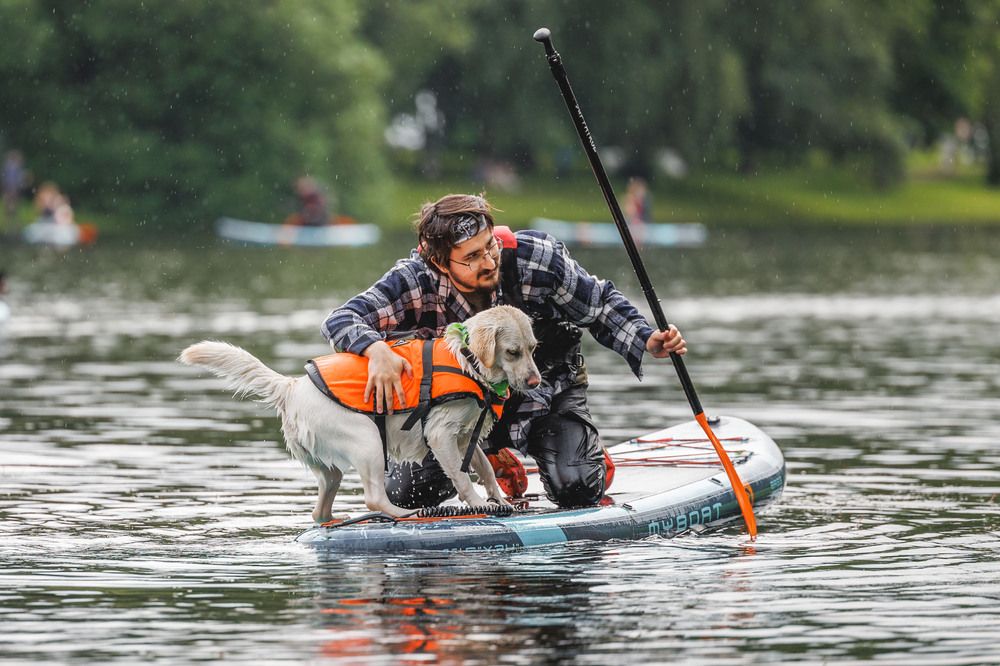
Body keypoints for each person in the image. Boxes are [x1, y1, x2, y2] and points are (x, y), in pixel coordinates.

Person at [321, 193, 686, 509]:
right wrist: (375, 350)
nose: (490, 261)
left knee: (576, 487)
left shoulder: (534, 258)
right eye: (472, 256)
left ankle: (582, 452)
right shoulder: (414, 280)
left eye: (490, 246)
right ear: (439, 262)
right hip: (458, 413)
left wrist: (645, 337)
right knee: (407, 493)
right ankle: (492, 454)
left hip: (546, 393)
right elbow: (342, 319)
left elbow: (598, 304)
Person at [2, 151, 27, 224]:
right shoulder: (13, 168)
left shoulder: (9, 167)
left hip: (11, 188)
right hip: (12, 188)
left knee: (11, 205)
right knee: (11, 205)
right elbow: (15, 180)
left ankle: (11, 220)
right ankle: (11, 220)